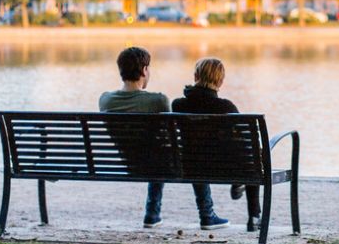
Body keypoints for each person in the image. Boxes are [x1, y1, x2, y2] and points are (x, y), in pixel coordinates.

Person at [98, 46, 228, 230]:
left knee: (154, 149)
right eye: (148, 68)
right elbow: (171, 136)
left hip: (126, 163)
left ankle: (152, 214)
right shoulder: (157, 100)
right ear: (144, 70)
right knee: (189, 151)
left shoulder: (105, 100)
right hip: (158, 165)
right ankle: (207, 215)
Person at [171, 57, 262, 230]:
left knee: (196, 151)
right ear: (220, 81)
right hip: (226, 168)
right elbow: (248, 138)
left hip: (190, 165)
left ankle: (210, 212)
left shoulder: (178, 105)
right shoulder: (225, 107)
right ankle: (254, 217)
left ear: (195, 75)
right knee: (252, 155)